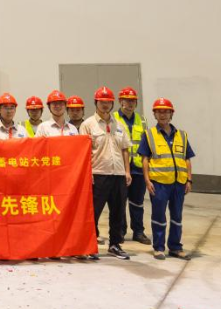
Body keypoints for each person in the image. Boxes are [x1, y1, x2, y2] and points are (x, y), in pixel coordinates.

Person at [79, 87, 132, 260]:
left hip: (118, 175)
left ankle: (115, 245)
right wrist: (88, 173)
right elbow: (84, 152)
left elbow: (125, 149)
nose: (105, 105)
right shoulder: (88, 125)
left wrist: (127, 171)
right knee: (93, 212)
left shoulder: (119, 124)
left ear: (112, 104)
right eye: (102, 102)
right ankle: (90, 245)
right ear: (96, 103)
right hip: (98, 174)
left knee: (118, 212)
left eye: (108, 102)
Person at [139, 98, 194, 261]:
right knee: (159, 216)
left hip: (179, 183)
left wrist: (189, 180)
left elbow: (187, 159)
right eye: (159, 112)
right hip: (159, 183)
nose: (162, 115)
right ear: (154, 114)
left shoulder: (182, 135)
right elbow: (145, 159)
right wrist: (147, 181)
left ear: (171, 114)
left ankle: (175, 247)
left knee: (177, 216)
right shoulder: (149, 135)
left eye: (166, 112)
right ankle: (159, 247)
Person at [114, 87, 149, 245]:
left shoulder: (142, 120)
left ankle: (138, 232)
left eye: (132, 101)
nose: (129, 103)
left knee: (137, 202)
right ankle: (120, 231)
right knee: (119, 202)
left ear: (136, 103)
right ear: (120, 101)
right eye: (126, 100)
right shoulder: (113, 118)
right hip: (119, 167)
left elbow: (146, 144)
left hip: (138, 168)